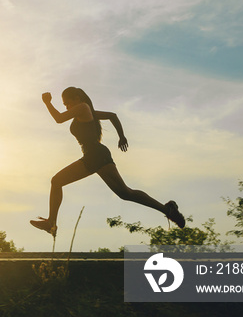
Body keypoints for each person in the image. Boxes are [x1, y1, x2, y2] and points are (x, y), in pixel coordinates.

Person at [30, 87, 185, 238]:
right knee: (125, 193)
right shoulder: (87, 110)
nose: (67, 107)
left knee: (57, 181)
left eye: (67, 103)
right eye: (65, 105)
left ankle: (51, 222)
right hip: (96, 155)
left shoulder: (83, 107)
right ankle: (167, 209)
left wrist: (47, 102)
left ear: (77, 98)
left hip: (95, 155)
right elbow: (112, 116)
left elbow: (59, 118)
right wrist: (121, 136)